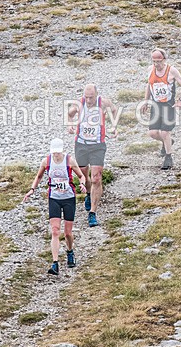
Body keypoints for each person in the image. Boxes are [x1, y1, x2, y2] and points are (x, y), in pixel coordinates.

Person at [23, 138, 87, 276]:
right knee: (55, 231)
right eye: (54, 153)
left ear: (62, 151)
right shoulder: (46, 161)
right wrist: (32, 190)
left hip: (69, 198)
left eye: (58, 152)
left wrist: (82, 184)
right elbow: (38, 177)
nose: (56, 155)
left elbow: (81, 176)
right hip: (54, 198)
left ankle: (70, 251)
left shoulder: (69, 161)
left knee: (68, 233)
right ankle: (55, 263)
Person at [66, 84, 117, 227]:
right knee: (83, 175)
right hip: (81, 144)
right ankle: (89, 193)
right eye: (86, 97)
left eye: (91, 97)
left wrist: (114, 126)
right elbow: (69, 114)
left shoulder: (103, 103)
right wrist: (69, 125)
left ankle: (92, 213)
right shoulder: (79, 103)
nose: (88, 100)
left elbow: (114, 110)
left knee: (96, 178)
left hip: (97, 145)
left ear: (97, 95)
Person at [140, 48, 181, 170]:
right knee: (153, 133)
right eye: (154, 61)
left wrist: (180, 100)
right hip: (156, 105)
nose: (156, 64)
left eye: (159, 61)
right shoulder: (150, 70)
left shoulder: (172, 70)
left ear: (164, 59)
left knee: (165, 132)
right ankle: (168, 142)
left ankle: (168, 157)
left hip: (168, 106)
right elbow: (149, 85)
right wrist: (146, 101)